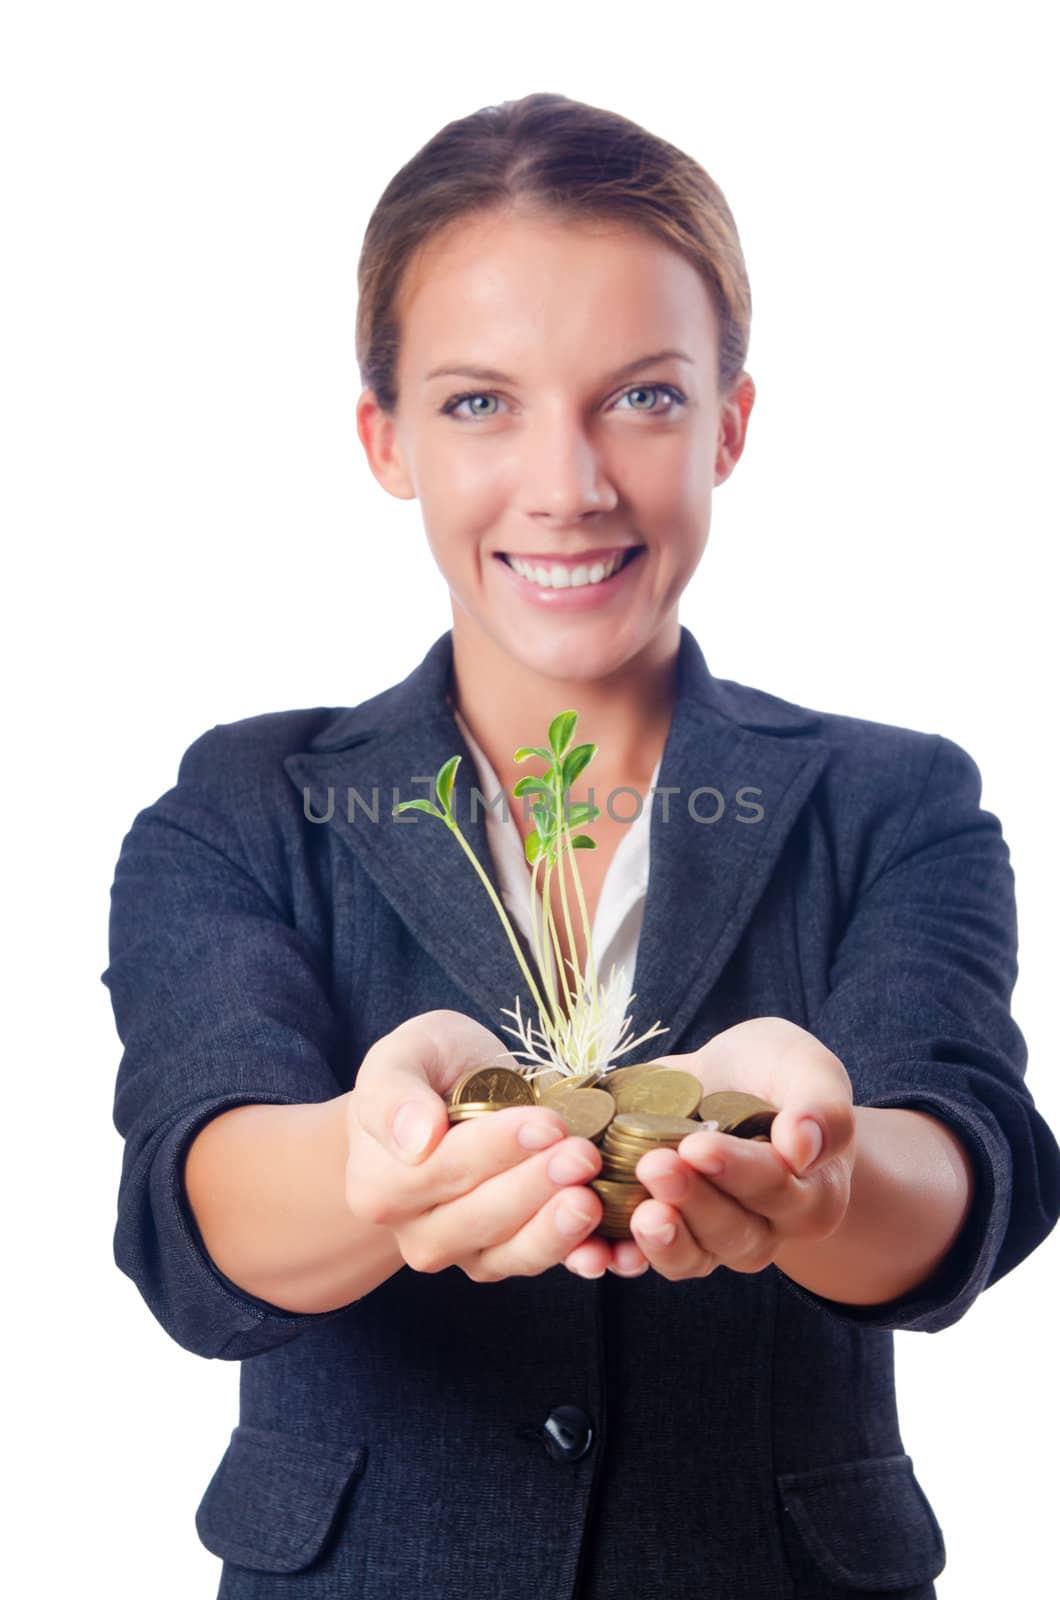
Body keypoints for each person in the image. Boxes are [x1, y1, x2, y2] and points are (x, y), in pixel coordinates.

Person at [103, 91, 1060, 1599]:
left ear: (731, 423)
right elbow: (195, 1188)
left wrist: (821, 1174)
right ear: (387, 437)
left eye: (645, 397)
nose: (569, 485)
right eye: (481, 401)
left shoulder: (896, 803)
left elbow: (967, 1163)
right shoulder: (246, 806)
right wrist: (373, 1167)